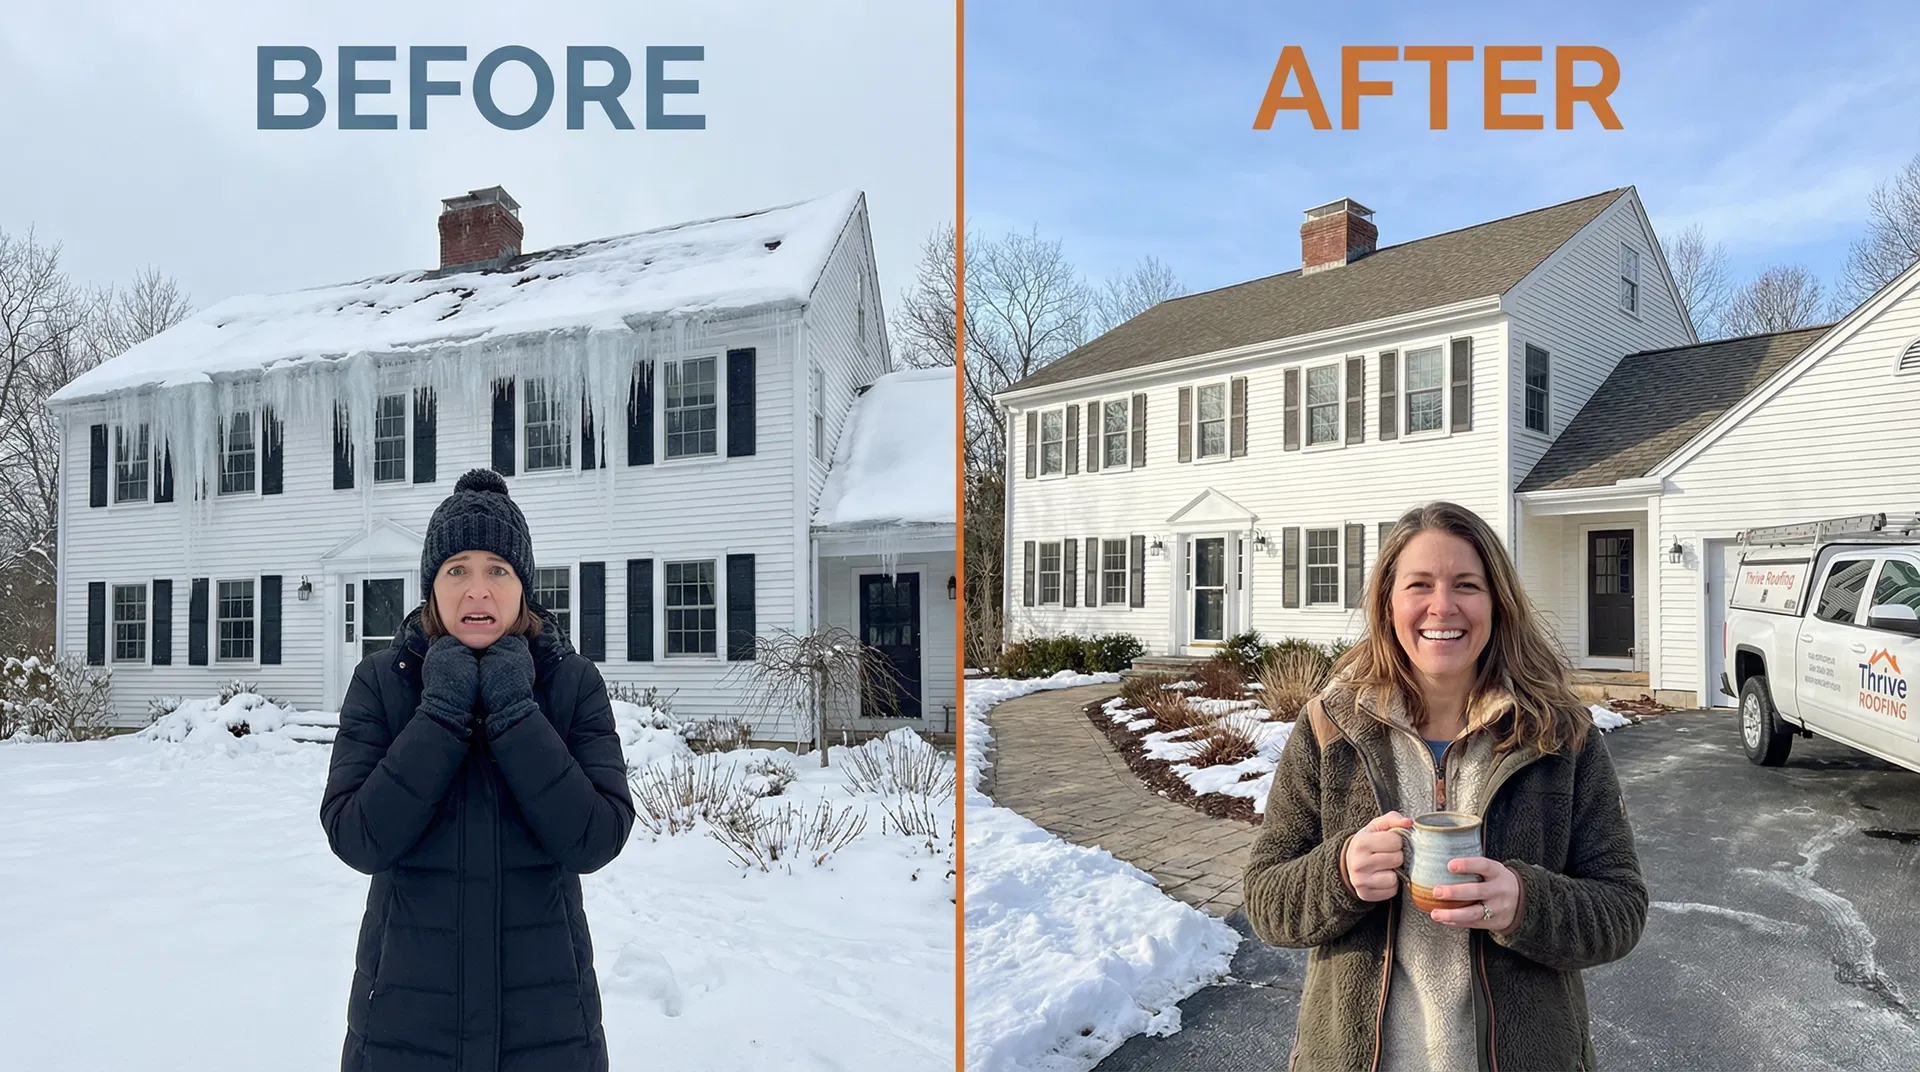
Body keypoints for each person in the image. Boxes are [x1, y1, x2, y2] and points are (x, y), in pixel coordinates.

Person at [1243, 501, 1647, 1072]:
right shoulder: (1329, 729)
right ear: (1388, 603)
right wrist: (1340, 874)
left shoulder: (1560, 736)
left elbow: (1621, 908)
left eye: (1466, 585)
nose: (1443, 606)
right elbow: (1265, 899)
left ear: (1497, 602)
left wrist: (1525, 904)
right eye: (1419, 585)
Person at [321, 468, 636, 1072]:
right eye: (456, 570)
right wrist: (439, 714)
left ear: (523, 587)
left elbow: (596, 838)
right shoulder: (384, 683)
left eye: (497, 570)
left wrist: (517, 714)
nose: (477, 591)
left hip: (546, 1028)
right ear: (431, 587)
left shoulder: (570, 684)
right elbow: (357, 837)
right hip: (405, 1025)